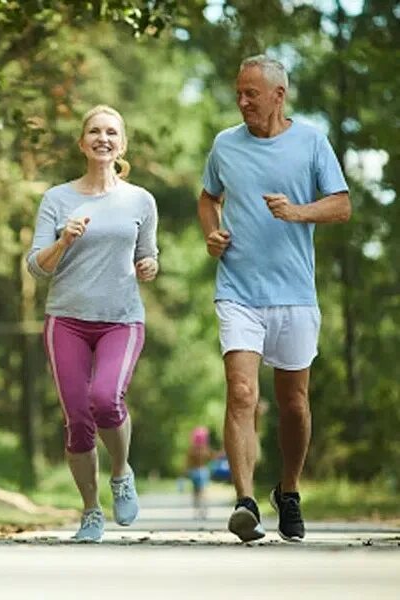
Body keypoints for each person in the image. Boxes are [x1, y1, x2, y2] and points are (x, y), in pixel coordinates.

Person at [198, 56, 351, 543]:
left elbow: (342, 205)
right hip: (238, 289)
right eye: (238, 93)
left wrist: (298, 211)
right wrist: (212, 234)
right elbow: (208, 198)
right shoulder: (225, 144)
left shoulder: (311, 142)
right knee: (242, 393)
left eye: (251, 94)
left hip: (295, 294)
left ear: (279, 95)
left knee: (294, 404)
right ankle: (244, 502)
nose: (242, 101)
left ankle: (288, 490)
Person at [27, 104, 159, 542]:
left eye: (112, 133)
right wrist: (64, 240)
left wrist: (149, 266)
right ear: (82, 143)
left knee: (106, 399)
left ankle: (121, 472)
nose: (103, 138)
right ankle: (90, 511)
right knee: (78, 419)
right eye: (95, 132)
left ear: (122, 144)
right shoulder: (57, 199)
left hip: (121, 320)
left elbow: (147, 254)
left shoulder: (140, 200)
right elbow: (36, 266)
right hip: (66, 319)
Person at [185, 426, 214, 520]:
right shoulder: (205, 450)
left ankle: (197, 510)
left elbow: (188, 462)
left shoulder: (192, 450)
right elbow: (211, 457)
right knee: (203, 492)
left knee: (195, 492)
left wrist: (186, 470)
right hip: (203, 471)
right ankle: (203, 509)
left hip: (194, 472)